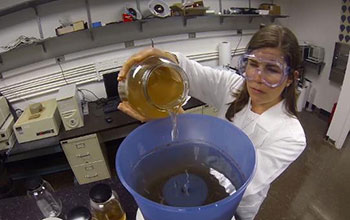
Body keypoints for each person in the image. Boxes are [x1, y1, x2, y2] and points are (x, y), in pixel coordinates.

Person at [117, 24, 307, 220]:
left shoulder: (291, 136)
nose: (257, 78)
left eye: (272, 69)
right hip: (199, 177)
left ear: (291, 78)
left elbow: (239, 180)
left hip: (235, 208)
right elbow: (194, 74)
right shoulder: (233, 87)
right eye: (253, 64)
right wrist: (166, 58)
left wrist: (184, 124)